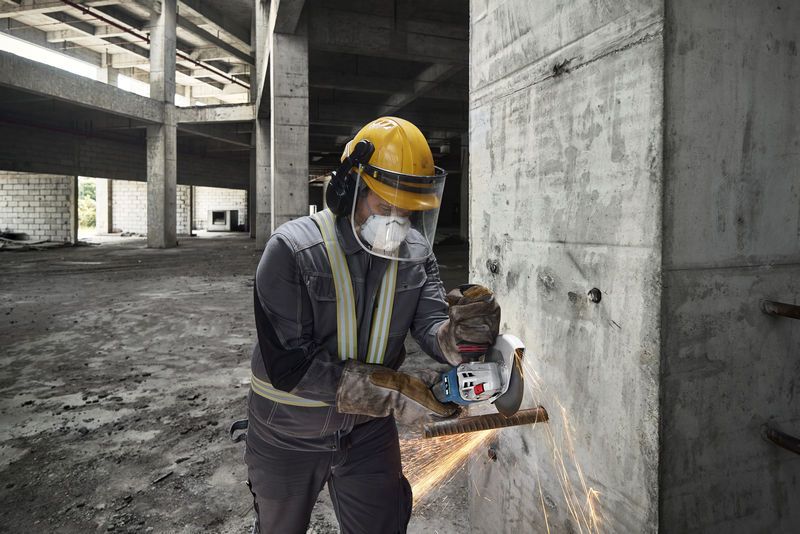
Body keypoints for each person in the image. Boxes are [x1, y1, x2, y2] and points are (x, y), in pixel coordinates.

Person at [245, 116, 500, 533]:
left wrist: (462, 337)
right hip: (288, 433)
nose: (397, 222)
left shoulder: (416, 252)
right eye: (385, 207)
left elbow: (432, 324)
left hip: (366, 433)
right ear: (349, 191)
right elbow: (291, 367)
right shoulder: (292, 251)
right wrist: (398, 394)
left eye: (408, 211)